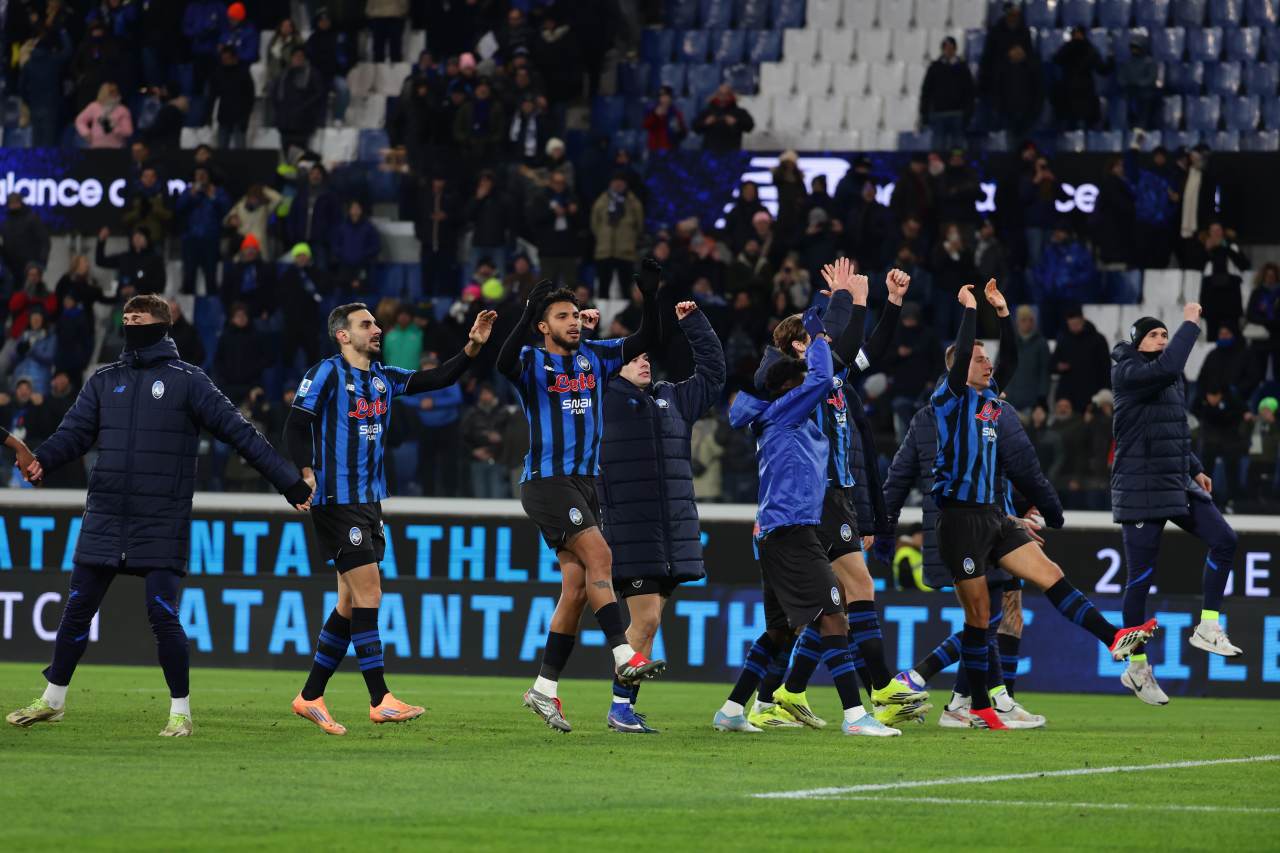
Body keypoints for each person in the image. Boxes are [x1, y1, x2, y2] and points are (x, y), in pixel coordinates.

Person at [6, 295, 311, 736]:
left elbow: (241, 434)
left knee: (162, 614)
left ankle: (180, 711)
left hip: (161, 517)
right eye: (126, 317)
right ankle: (52, 700)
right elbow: (73, 434)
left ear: (162, 325)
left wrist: (289, 483)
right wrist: (42, 461)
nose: (130, 323)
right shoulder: (104, 380)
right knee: (77, 609)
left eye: (139, 318)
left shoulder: (189, 380)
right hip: (107, 512)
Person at [931, 281, 1156, 728]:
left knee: (1050, 574)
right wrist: (970, 312)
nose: (989, 363)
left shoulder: (988, 401)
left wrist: (1003, 313)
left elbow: (1011, 360)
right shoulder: (949, 399)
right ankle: (966, 708)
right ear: (959, 366)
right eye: (979, 358)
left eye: (987, 358)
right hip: (958, 521)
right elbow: (965, 359)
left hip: (994, 517)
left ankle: (1114, 639)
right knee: (980, 618)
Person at [284, 302, 496, 734]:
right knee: (370, 593)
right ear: (343, 335)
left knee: (349, 603)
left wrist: (472, 347)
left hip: (368, 502)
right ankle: (380, 699)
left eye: (376, 323)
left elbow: (439, 378)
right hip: (335, 500)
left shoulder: (383, 378)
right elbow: (295, 425)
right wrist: (304, 472)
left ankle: (310, 695)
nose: (377, 329)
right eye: (367, 324)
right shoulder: (326, 373)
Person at [744, 265, 927, 731]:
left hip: (839, 496)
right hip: (816, 499)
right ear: (796, 348)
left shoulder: (834, 379)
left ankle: (777, 695)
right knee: (853, 592)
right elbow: (838, 346)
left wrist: (890, 304)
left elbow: (869, 351)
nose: (823, 343)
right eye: (812, 339)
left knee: (824, 609)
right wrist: (851, 302)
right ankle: (880, 689)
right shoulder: (798, 384)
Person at [713, 306, 899, 737]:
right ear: (791, 386)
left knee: (780, 631)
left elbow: (829, 375)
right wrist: (818, 330)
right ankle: (855, 716)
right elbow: (820, 377)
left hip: (778, 531)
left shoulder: (778, 414)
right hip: (793, 530)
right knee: (833, 615)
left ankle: (732, 709)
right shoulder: (788, 410)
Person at [497, 266, 667, 733]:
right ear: (543, 326)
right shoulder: (531, 361)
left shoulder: (597, 356)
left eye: (575, 315)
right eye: (562, 316)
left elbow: (647, 337)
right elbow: (502, 360)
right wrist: (526, 312)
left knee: (575, 589)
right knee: (601, 556)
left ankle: (543, 688)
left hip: (585, 483)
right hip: (548, 481)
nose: (573, 322)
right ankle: (623, 653)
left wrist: (650, 295)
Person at [884, 390, 1064, 728]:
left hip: (970, 528)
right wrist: (1021, 515)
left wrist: (882, 527)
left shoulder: (929, 417)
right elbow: (1003, 475)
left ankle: (964, 701)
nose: (997, 388)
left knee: (995, 619)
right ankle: (925, 680)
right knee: (990, 620)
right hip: (984, 532)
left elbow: (899, 478)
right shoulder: (979, 417)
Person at [591, 298, 725, 733]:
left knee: (649, 626)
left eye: (646, 357)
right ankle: (618, 708)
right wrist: (588, 335)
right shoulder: (601, 400)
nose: (644, 362)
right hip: (631, 532)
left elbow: (713, 375)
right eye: (634, 359)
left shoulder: (673, 398)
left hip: (672, 534)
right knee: (646, 620)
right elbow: (576, 372)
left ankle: (625, 707)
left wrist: (695, 324)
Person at [1111, 311, 1242, 705]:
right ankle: (1137, 668)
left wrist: (1195, 467)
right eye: (1154, 334)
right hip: (1139, 486)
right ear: (1136, 340)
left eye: (1166, 334)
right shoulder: (1128, 372)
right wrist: (1190, 325)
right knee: (1140, 580)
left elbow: (1173, 428)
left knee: (1225, 539)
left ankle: (1208, 626)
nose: (1162, 340)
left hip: (1173, 480)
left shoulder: (1168, 375)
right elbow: (1167, 367)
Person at [176, 167, 230, 295]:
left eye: (203, 174)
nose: (201, 177)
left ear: (209, 176)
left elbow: (227, 210)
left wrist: (213, 197)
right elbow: (178, 208)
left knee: (211, 276)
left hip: (210, 240)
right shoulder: (189, 191)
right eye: (198, 174)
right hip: (190, 240)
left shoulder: (217, 192)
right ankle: (187, 305)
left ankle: (212, 305)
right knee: (189, 277)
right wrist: (191, 195)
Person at [590, 172, 644, 299]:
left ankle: (628, 312)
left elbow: (639, 225)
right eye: (615, 181)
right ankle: (601, 311)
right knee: (603, 287)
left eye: (621, 181)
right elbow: (594, 224)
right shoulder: (602, 200)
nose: (618, 184)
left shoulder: (633, 202)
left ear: (626, 184)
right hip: (604, 251)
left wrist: (630, 239)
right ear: (610, 183)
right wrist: (603, 238)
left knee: (626, 288)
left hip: (626, 251)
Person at [920, 37, 974, 152]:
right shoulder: (934, 67)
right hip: (938, 114)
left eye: (951, 48)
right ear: (942, 49)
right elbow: (926, 91)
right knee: (938, 148)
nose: (949, 50)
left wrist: (968, 113)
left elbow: (970, 92)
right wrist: (924, 113)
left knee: (957, 150)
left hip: (958, 114)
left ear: (955, 49)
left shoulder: (962, 67)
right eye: (946, 48)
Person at [461, 383, 510, 498]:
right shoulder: (471, 414)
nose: (485, 396)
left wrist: (500, 439)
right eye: (482, 394)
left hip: (498, 460)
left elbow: (513, 437)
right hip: (477, 461)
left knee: (497, 497)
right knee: (480, 498)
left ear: (493, 394)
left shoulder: (505, 413)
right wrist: (473, 451)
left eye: (487, 393)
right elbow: (463, 437)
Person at [209, 44, 256, 149]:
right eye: (223, 59)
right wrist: (209, 115)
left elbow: (250, 97)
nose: (224, 61)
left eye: (227, 59)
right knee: (221, 149)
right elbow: (213, 95)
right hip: (224, 117)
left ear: (234, 58)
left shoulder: (243, 73)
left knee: (240, 150)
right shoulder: (218, 73)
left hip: (240, 118)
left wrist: (245, 118)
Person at [1005, 305, 1050, 413]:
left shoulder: (1041, 344)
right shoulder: (1009, 342)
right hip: (1009, 401)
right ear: (1017, 322)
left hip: (1031, 403)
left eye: (1030, 320)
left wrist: (1041, 400)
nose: (1027, 323)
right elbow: (1000, 367)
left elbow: (1044, 373)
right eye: (1023, 320)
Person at [692, 84, 755, 154]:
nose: (723, 97)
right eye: (720, 94)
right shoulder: (707, 112)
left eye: (726, 94)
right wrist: (705, 123)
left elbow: (750, 126)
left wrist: (736, 122)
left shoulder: (739, 112)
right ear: (716, 95)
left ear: (731, 95)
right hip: (710, 152)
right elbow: (695, 127)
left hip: (732, 152)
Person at [75, 82, 133, 149]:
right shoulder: (94, 106)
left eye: (115, 92)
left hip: (117, 147)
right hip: (96, 147)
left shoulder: (122, 110)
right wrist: (86, 133)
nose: (114, 94)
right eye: (111, 92)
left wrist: (114, 128)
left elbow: (128, 132)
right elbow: (80, 121)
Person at [642, 85, 687, 152]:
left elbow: (683, 134)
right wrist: (655, 115)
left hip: (671, 149)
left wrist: (678, 129)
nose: (663, 99)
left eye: (666, 96)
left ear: (670, 98)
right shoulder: (651, 110)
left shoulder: (676, 113)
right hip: (654, 149)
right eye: (661, 96)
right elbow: (645, 125)